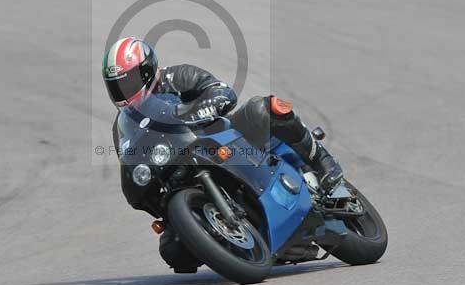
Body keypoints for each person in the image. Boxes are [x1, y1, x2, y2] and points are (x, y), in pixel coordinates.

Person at [102, 37, 343, 192]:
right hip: (181, 166)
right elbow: (131, 159)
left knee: (264, 108)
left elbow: (222, 92)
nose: (124, 90)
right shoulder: (123, 125)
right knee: (172, 250)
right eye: (117, 86)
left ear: (147, 70)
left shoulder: (177, 77)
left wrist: (194, 115)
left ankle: (321, 159)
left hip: (226, 138)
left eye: (130, 81)